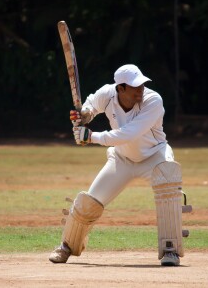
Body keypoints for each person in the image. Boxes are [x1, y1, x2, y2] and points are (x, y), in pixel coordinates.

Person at [49, 64, 186, 266]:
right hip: (122, 159)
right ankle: (67, 246)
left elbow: (128, 133)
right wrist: (85, 113)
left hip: (154, 155)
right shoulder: (107, 93)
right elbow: (90, 104)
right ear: (120, 88)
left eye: (141, 84)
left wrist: (90, 136)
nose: (140, 89)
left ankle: (170, 250)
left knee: (168, 180)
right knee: (90, 201)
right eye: (135, 86)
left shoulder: (153, 100)